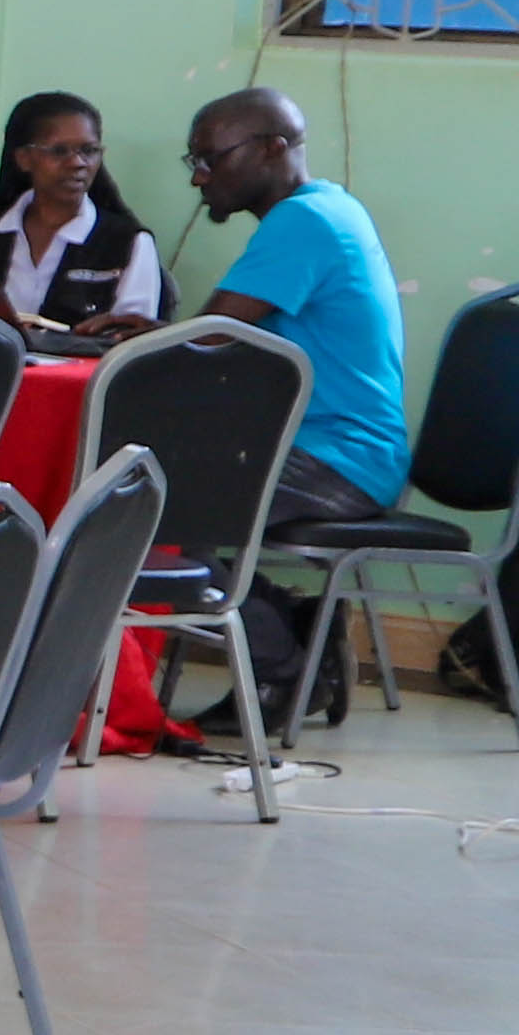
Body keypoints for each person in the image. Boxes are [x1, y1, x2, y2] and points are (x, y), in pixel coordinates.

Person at [171, 86, 415, 733]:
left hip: (340, 459)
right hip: (337, 450)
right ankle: (299, 622)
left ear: (273, 148)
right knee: (158, 491)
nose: (199, 177)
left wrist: (127, 345)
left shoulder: (303, 220)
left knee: (151, 508)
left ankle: (283, 671)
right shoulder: (328, 208)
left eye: (211, 159)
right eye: (192, 161)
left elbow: (209, 334)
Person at [0, 91, 165, 345]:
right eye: (59, 151)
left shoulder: (129, 242)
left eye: (89, 150)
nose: (78, 163)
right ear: (24, 159)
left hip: (82, 378)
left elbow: (132, 340)